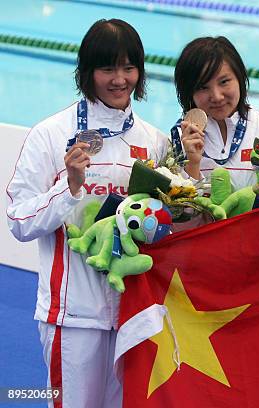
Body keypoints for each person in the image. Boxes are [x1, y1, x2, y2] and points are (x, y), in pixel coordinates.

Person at [6, 19, 169, 407]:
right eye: (107, 68)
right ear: (86, 72)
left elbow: (163, 229)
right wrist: (70, 186)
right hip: (74, 317)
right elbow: (19, 221)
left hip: (134, 314)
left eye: (129, 67)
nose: (119, 79)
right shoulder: (50, 134)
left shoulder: (154, 141)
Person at [173, 36, 259, 210]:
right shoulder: (178, 141)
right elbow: (181, 219)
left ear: (240, 77)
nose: (216, 96)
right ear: (189, 92)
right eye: (203, 87)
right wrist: (192, 164)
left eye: (224, 82)